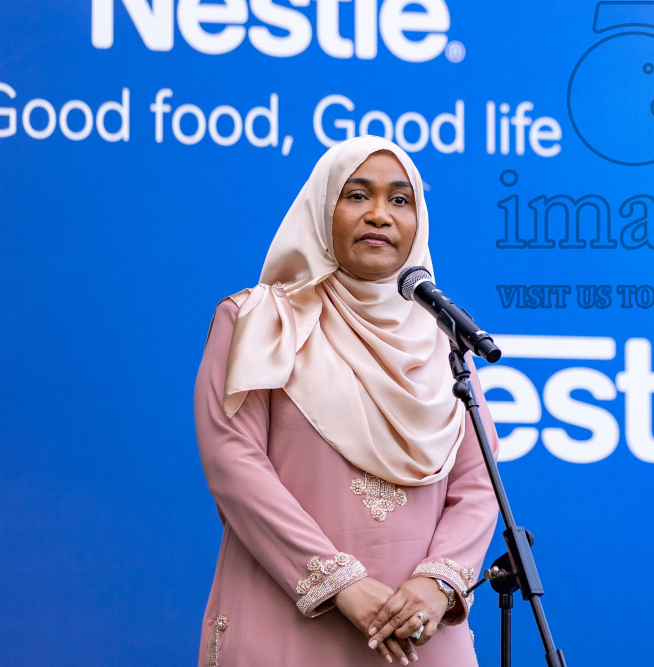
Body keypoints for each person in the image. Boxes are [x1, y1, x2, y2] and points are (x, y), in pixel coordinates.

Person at [194, 135, 499, 666]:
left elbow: (477, 483)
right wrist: (342, 585)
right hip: (290, 620)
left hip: (420, 631)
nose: (380, 215)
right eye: (357, 196)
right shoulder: (261, 320)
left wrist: (438, 584)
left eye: (400, 200)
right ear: (321, 209)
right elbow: (234, 465)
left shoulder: (441, 338)